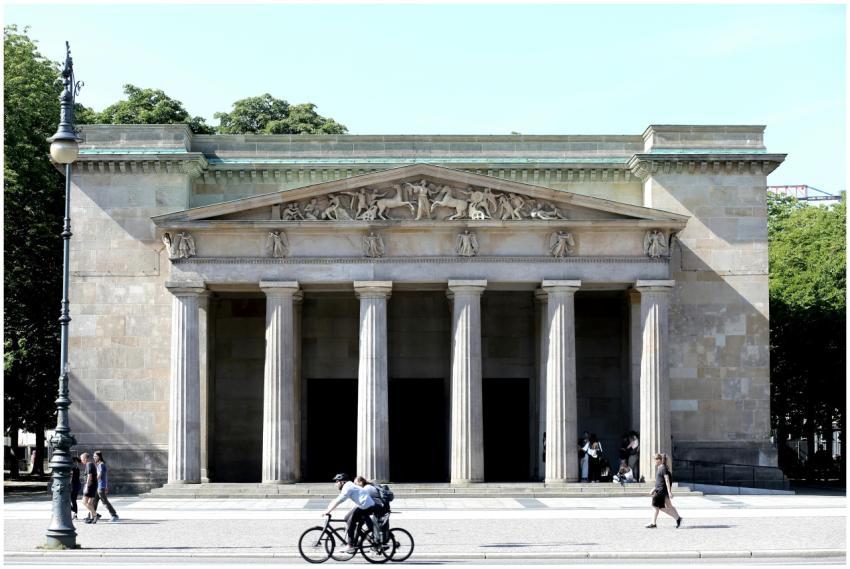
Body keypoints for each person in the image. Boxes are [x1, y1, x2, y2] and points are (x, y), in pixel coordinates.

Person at [323, 473, 377, 554]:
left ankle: (350, 545)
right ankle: (358, 538)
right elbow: (338, 498)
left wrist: (328, 511)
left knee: (351, 521)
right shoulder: (348, 485)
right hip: (363, 505)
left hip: (366, 506)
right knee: (347, 517)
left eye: (337, 481)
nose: (336, 484)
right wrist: (328, 508)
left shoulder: (348, 487)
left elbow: (340, 500)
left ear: (342, 482)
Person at [646, 452, 682, 528]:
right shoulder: (662, 468)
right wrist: (653, 489)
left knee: (657, 507)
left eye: (655, 459)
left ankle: (654, 523)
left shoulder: (663, 468)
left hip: (660, 491)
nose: (654, 461)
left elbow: (667, 480)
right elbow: (660, 481)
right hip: (661, 490)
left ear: (660, 460)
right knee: (669, 506)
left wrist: (669, 492)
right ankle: (678, 518)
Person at [92, 451, 119, 522]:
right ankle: (93, 516)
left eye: (95, 456)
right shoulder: (98, 464)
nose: (94, 457)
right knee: (94, 501)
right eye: (93, 456)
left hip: (101, 486)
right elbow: (105, 476)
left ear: (99, 456)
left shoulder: (101, 464)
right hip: (98, 486)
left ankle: (114, 515)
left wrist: (94, 482)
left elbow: (100, 475)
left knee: (105, 502)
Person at [80, 453, 99, 523]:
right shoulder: (91, 464)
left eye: (82, 459)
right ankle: (92, 517)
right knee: (90, 503)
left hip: (90, 486)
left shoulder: (89, 464)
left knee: (84, 502)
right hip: (93, 485)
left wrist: (86, 486)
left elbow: (89, 476)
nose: (81, 461)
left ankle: (95, 515)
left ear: (85, 458)